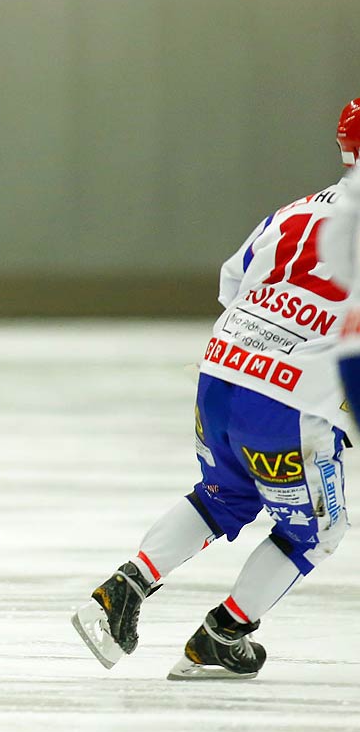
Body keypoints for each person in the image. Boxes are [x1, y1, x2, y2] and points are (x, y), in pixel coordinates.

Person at [72, 99, 359, 679]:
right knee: (316, 531)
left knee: (223, 493)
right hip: (289, 399)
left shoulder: (297, 211)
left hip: (222, 372)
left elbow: (233, 281)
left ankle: (121, 592)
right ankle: (221, 637)